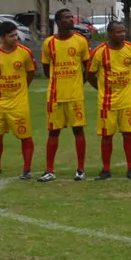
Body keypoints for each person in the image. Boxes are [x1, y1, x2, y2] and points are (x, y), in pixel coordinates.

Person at [40, 10, 92, 182]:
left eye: (71, 17)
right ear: (58, 22)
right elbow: (47, 69)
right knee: (53, 132)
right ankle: (49, 170)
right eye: (67, 18)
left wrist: (78, 83)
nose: (71, 20)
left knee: (78, 130)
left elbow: (87, 67)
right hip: (55, 95)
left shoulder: (80, 41)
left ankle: (81, 169)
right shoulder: (49, 43)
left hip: (75, 95)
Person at [0, 26, 38, 180]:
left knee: (25, 136)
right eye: (11, 36)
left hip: (19, 103)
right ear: (2, 37)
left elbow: (31, 73)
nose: (15, 38)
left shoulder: (24, 52)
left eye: (16, 35)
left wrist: (21, 88)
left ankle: (27, 169)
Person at [92, 21, 131, 179]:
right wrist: (101, 88)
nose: (122, 35)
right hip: (107, 102)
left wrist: (128, 85)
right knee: (107, 135)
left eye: (123, 31)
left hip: (127, 100)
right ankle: (106, 170)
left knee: (128, 134)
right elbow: (89, 74)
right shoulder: (99, 52)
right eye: (118, 32)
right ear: (109, 33)